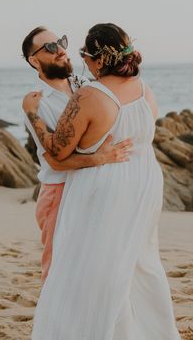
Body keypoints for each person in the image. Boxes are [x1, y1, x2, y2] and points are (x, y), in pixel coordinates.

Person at [24, 23, 180, 339]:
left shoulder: (90, 94)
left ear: (97, 59)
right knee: (130, 265)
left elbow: (56, 151)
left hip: (106, 193)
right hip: (142, 187)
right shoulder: (145, 90)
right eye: (51, 47)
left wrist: (32, 114)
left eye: (76, 50)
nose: (68, 52)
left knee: (84, 272)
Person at [21, 26, 133, 282]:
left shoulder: (83, 85)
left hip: (88, 188)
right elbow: (55, 161)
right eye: (50, 47)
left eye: (61, 41)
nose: (60, 49)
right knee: (57, 267)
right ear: (34, 60)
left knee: (87, 265)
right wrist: (101, 158)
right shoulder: (38, 102)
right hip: (58, 192)